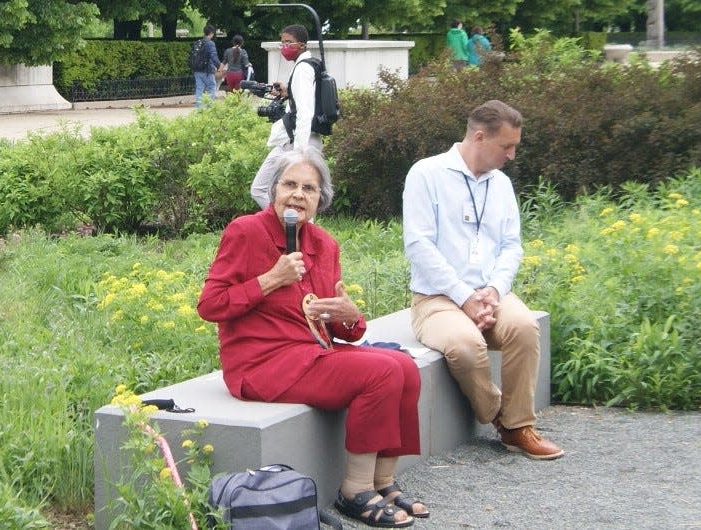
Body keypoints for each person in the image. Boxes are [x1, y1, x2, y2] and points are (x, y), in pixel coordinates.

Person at [199, 149, 429, 527]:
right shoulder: (246, 232)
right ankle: (354, 490)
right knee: (381, 373)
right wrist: (270, 279)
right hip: (262, 364)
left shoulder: (324, 245)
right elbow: (210, 305)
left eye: (309, 188)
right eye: (289, 184)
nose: (298, 195)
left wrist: (350, 316)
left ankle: (383, 480)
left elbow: (338, 325)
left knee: (405, 366)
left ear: (320, 199)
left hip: (311, 354)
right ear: (272, 190)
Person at [402, 100, 564, 460]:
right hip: (437, 298)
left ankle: (521, 427)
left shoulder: (501, 185)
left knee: (523, 327)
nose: (512, 155)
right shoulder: (426, 174)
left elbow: (511, 246)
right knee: (464, 346)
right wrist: (464, 296)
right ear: (478, 137)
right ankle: (501, 418)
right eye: (506, 146)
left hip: (490, 294)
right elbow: (418, 244)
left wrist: (493, 290)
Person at [249, 24, 322, 209]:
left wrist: (299, 153)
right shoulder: (307, 65)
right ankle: (295, 228)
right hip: (298, 140)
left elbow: (305, 112)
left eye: (289, 42)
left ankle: (290, 226)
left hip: (296, 142)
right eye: (282, 43)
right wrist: (287, 92)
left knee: (260, 188)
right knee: (298, 196)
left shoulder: (303, 69)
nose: (284, 47)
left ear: (302, 45)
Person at [194, 24, 221, 108]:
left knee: (199, 89)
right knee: (212, 87)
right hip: (207, 71)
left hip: (197, 69)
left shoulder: (198, 42)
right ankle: (210, 108)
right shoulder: (210, 43)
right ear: (212, 33)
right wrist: (220, 66)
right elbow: (214, 57)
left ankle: (199, 109)